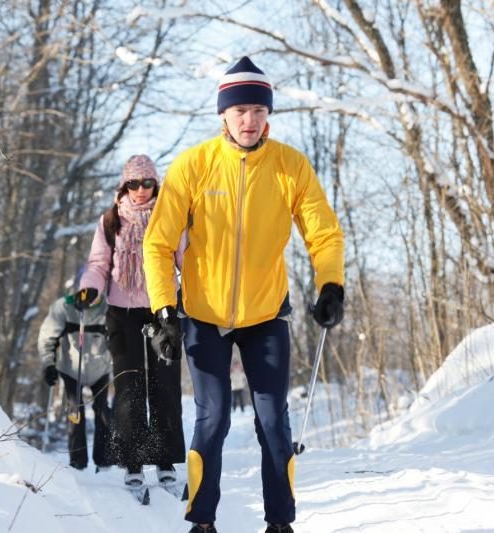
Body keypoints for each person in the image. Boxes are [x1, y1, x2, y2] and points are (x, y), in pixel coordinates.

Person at [143, 56, 345, 533]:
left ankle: (280, 523)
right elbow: (158, 242)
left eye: (258, 110)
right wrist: (164, 310)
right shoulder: (194, 165)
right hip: (203, 313)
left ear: (267, 114)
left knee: (273, 422)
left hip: (266, 313)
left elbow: (324, 233)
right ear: (223, 116)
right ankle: (202, 522)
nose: (250, 120)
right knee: (211, 420)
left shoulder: (289, 166)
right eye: (240, 112)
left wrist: (330, 284)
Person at [78, 154, 186, 488]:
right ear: (124, 186)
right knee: (128, 386)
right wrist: (88, 288)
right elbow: (98, 263)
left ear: (157, 184)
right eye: (133, 184)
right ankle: (133, 461)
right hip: (121, 312)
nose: (140, 190)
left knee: (164, 385)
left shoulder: (170, 216)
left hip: (162, 310)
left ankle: (164, 457)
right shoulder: (110, 220)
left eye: (147, 183)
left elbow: (185, 260)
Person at [38, 280, 113, 471]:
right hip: (71, 368)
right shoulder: (63, 307)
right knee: (74, 410)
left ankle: (103, 461)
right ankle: (77, 462)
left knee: (103, 410)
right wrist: (49, 364)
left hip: (100, 368)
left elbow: (120, 336)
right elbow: (47, 337)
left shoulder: (108, 307)